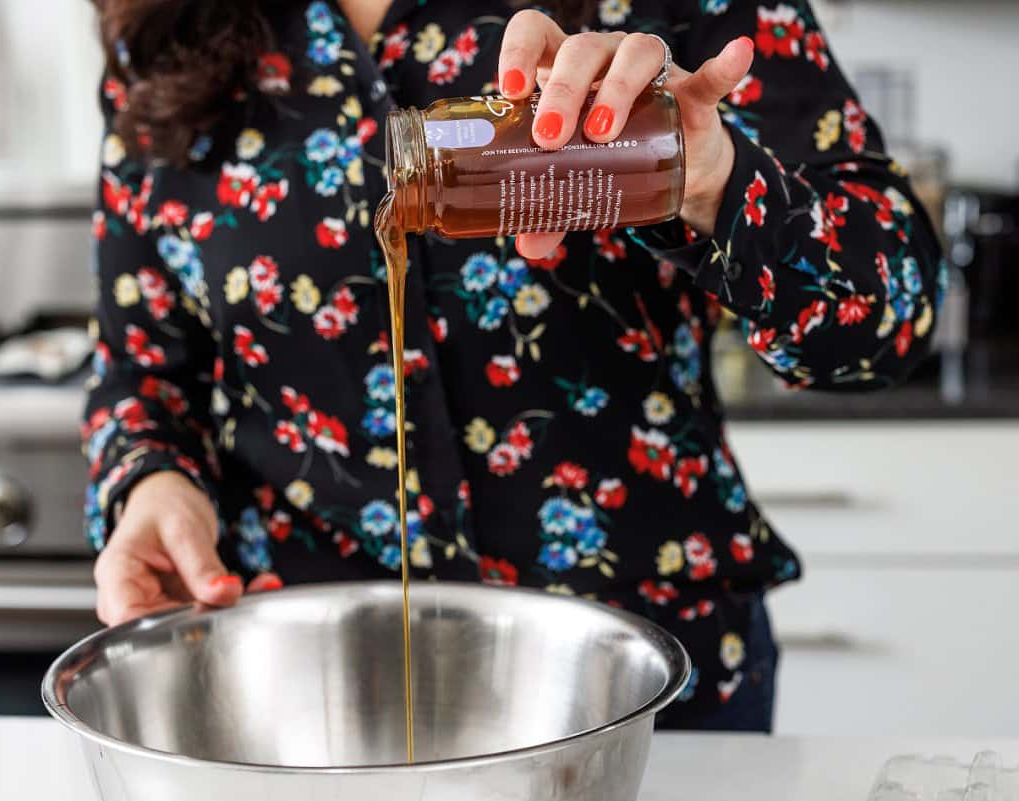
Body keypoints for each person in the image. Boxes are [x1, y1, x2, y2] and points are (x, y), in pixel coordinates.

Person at [84, 0, 943, 732]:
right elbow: (145, 370)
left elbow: (891, 321)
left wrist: (711, 178)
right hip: (309, 704)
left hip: (639, 695)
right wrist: (152, 480)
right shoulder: (170, 32)